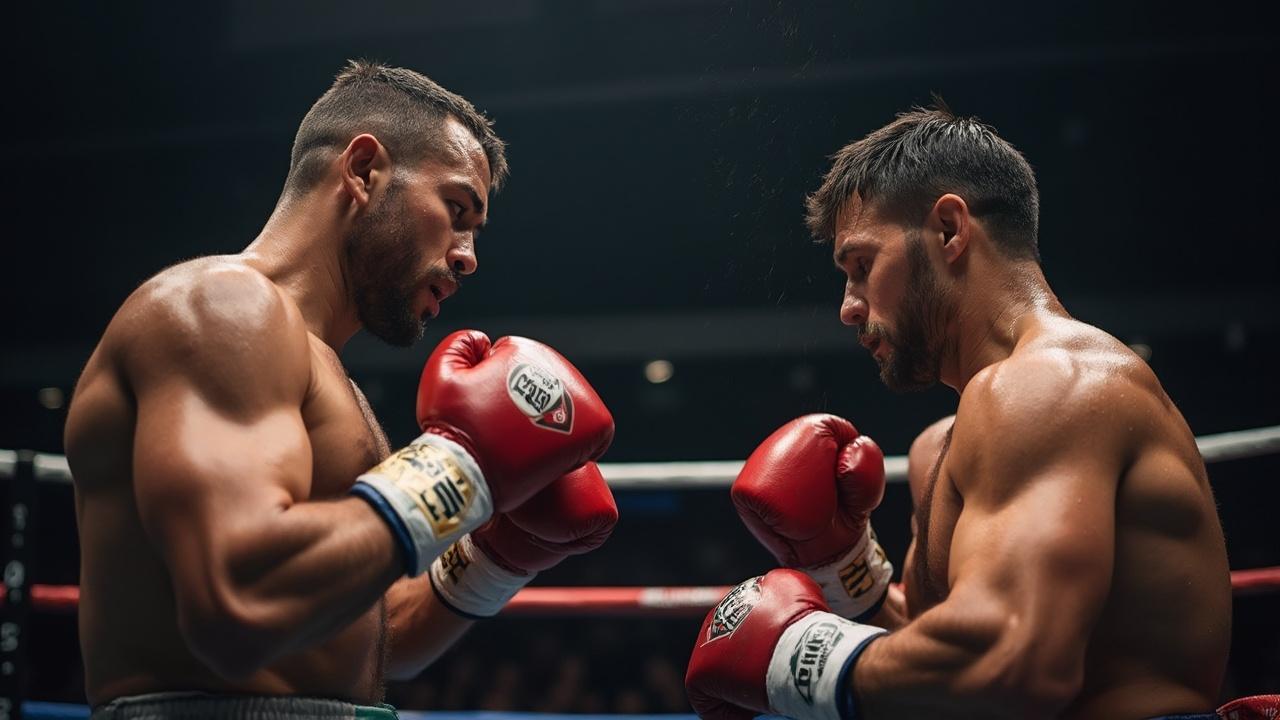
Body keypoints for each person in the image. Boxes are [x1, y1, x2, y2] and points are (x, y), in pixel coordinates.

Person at [63, 61, 618, 719]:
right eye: (456, 208)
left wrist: (499, 551)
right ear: (362, 171)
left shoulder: (323, 374)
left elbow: (364, 636)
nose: (469, 256)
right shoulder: (220, 308)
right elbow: (239, 602)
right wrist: (462, 470)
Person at [686, 105, 1232, 719]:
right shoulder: (943, 444)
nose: (848, 307)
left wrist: (800, 660)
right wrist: (843, 568)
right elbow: (933, 658)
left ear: (949, 229)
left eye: (862, 267)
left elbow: (1013, 658)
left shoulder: (1055, 382)